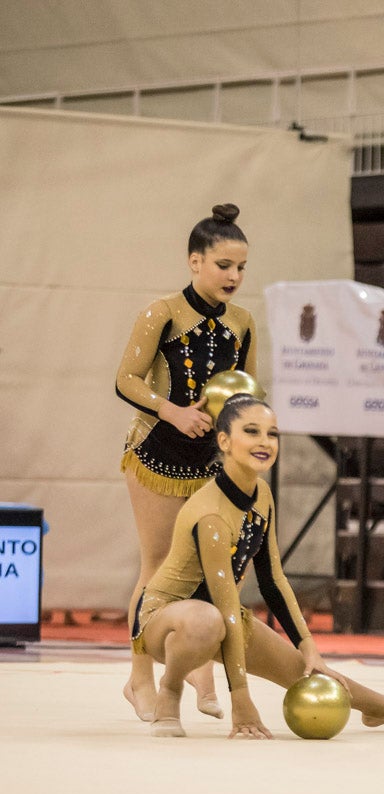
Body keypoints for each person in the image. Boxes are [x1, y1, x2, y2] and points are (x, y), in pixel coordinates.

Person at [131, 395, 384, 738]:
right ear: (225, 441)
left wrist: (309, 648)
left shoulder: (260, 493)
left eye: (272, 434)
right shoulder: (211, 514)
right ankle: (169, 691)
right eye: (252, 431)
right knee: (206, 620)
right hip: (166, 619)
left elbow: (273, 580)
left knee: (316, 678)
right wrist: (241, 699)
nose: (264, 442)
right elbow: (224, 600)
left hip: (226, 619)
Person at [115, 204, 258, 722]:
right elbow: (127, 379)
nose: (234, 277)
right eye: (223, 265)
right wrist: (171, 411)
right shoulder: (164, 312)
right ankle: (138, 679)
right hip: (157, 453)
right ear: (194, 261)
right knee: (156, 567)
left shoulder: (243, 323)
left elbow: (246, 397)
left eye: (241, 267)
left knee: (214, 570)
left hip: (211, 463)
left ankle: (201, 675)